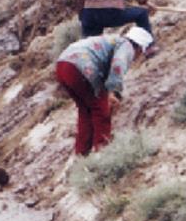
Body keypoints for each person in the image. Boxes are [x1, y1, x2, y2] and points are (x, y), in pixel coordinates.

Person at [55, 27, 153, 156]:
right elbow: (118, 65)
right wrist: (113, 91)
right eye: (142, 53)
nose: (138, 57)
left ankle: (82, 153)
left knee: (86, 110)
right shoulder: (127, 46)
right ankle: (101, 153)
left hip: (62, 65)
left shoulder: (112, 40)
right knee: (101, 110)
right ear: (140, 47)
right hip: (81, 66)